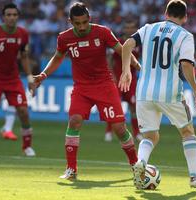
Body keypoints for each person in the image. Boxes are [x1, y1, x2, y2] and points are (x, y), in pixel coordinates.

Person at [33, 2, 140, 180]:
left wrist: (135, 65)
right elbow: (58, 57)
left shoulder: (103, 32)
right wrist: (43, 75)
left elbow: (122, 50)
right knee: (74, 121)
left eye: (84, 22)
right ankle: (71, 169)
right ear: (70, 21)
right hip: (81, 88)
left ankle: (135, 165)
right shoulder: (64, 38)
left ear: (89, 18)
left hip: (105, 85)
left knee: (119, 129)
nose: (82, 27)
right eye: (77, 23)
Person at [119, 0, 196, 191]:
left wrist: (126, 70)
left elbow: (127, 45)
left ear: (166, 14)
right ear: (185, 17)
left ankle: (141, 161)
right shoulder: (185, 36)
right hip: (170, 92)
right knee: (187, 132)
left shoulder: (149, 28)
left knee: (150, 135)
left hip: (144, 92)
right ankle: (194, 177)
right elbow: (186, 64)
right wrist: (195, 89)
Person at [0, 3, 36, 156]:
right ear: (3, 17)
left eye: (14, 15)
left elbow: (24, 57)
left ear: (18, 17)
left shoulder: (23, 34)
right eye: (8, 15)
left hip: (13, 79)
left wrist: (30, 77)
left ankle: (27, 147)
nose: (11, 18)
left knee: (24, 112)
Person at [104, 21, 142, 142]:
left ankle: (137, 133)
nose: (130, 29)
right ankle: (109, 131)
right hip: (117, 79)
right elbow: (109, 59)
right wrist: (112, 76)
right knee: (114, 106)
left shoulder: (139, 45)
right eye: (127, 27)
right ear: (124, 29)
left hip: (132, 81)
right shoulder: (118, 43)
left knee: (133, 107)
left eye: (132, 27)